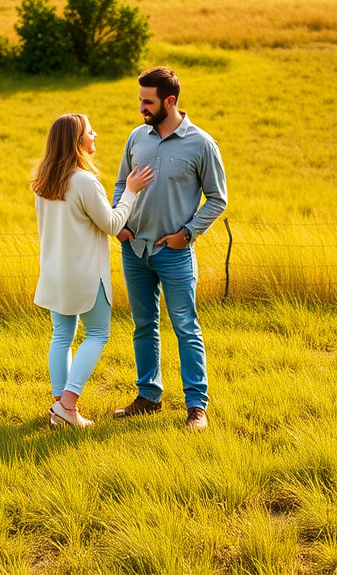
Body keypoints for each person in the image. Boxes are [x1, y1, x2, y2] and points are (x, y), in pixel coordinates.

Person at [112, 67, 227, 431]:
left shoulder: (201, 144)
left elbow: (217, 199)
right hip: (134, 251)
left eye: (148, 101)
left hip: (175, 254)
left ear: (170, 101)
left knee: (185, 327)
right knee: (144, 324)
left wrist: (188, 234)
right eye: (140, 100)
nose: (142, 108)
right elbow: (119, 184)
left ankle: (196, 407)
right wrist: (120, 226)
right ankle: (149, 396)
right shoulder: (136, 137)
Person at [32, 113, 154, 428]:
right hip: (84, 275)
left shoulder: (43, 182)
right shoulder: (84, 181)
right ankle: (68, 407)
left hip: (54, 273)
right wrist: (131, 190)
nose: (95, 135)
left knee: (62, 335)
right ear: (77, 141)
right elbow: (113, 224)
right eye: (89, 131)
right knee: (98, 333)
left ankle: (60, 407)